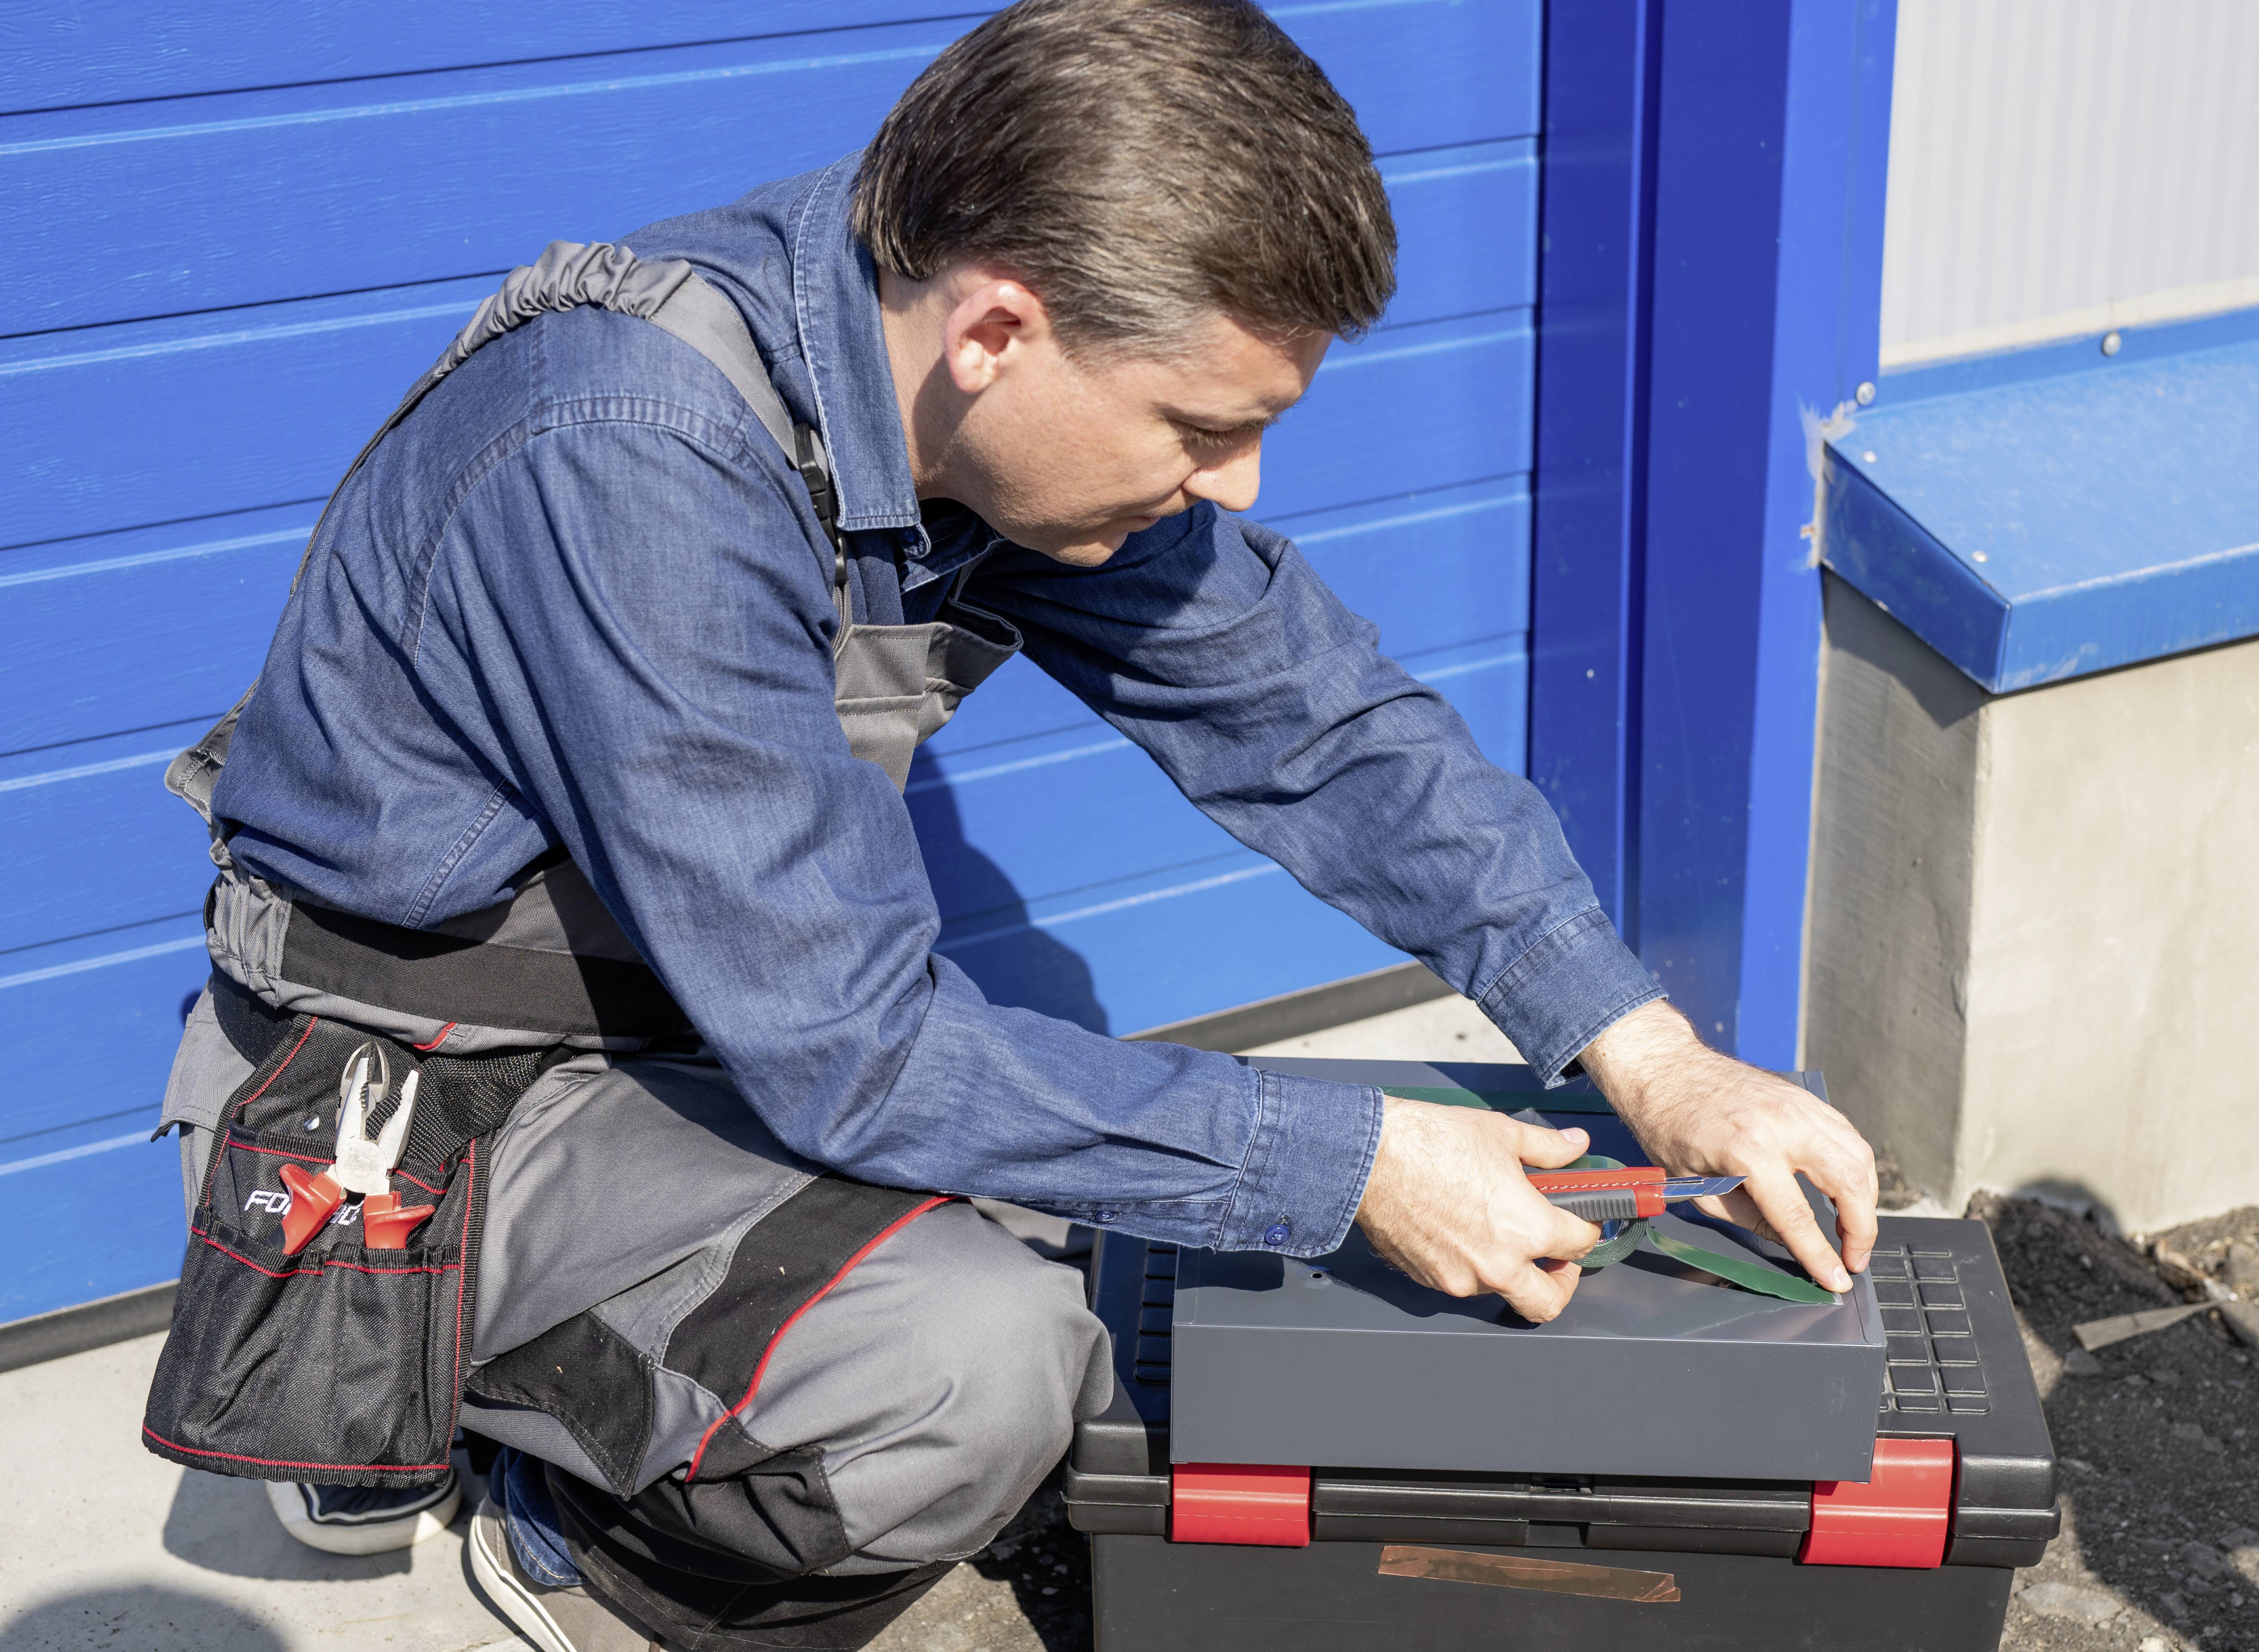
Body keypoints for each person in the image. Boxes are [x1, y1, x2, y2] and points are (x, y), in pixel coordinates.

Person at [154, 0, 1878, 1645]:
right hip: (440, 1087)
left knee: (1148, 1227)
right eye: (1206, 429)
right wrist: (1351, 1159)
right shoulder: (633, 459)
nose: (1239, 488)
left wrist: (1645, 1050)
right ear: (998, 329)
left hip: (706, 1017)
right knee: (978, 1374)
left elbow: (1319, 726)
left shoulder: (944, 401)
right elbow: (853, 1050)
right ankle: (550, 1513)